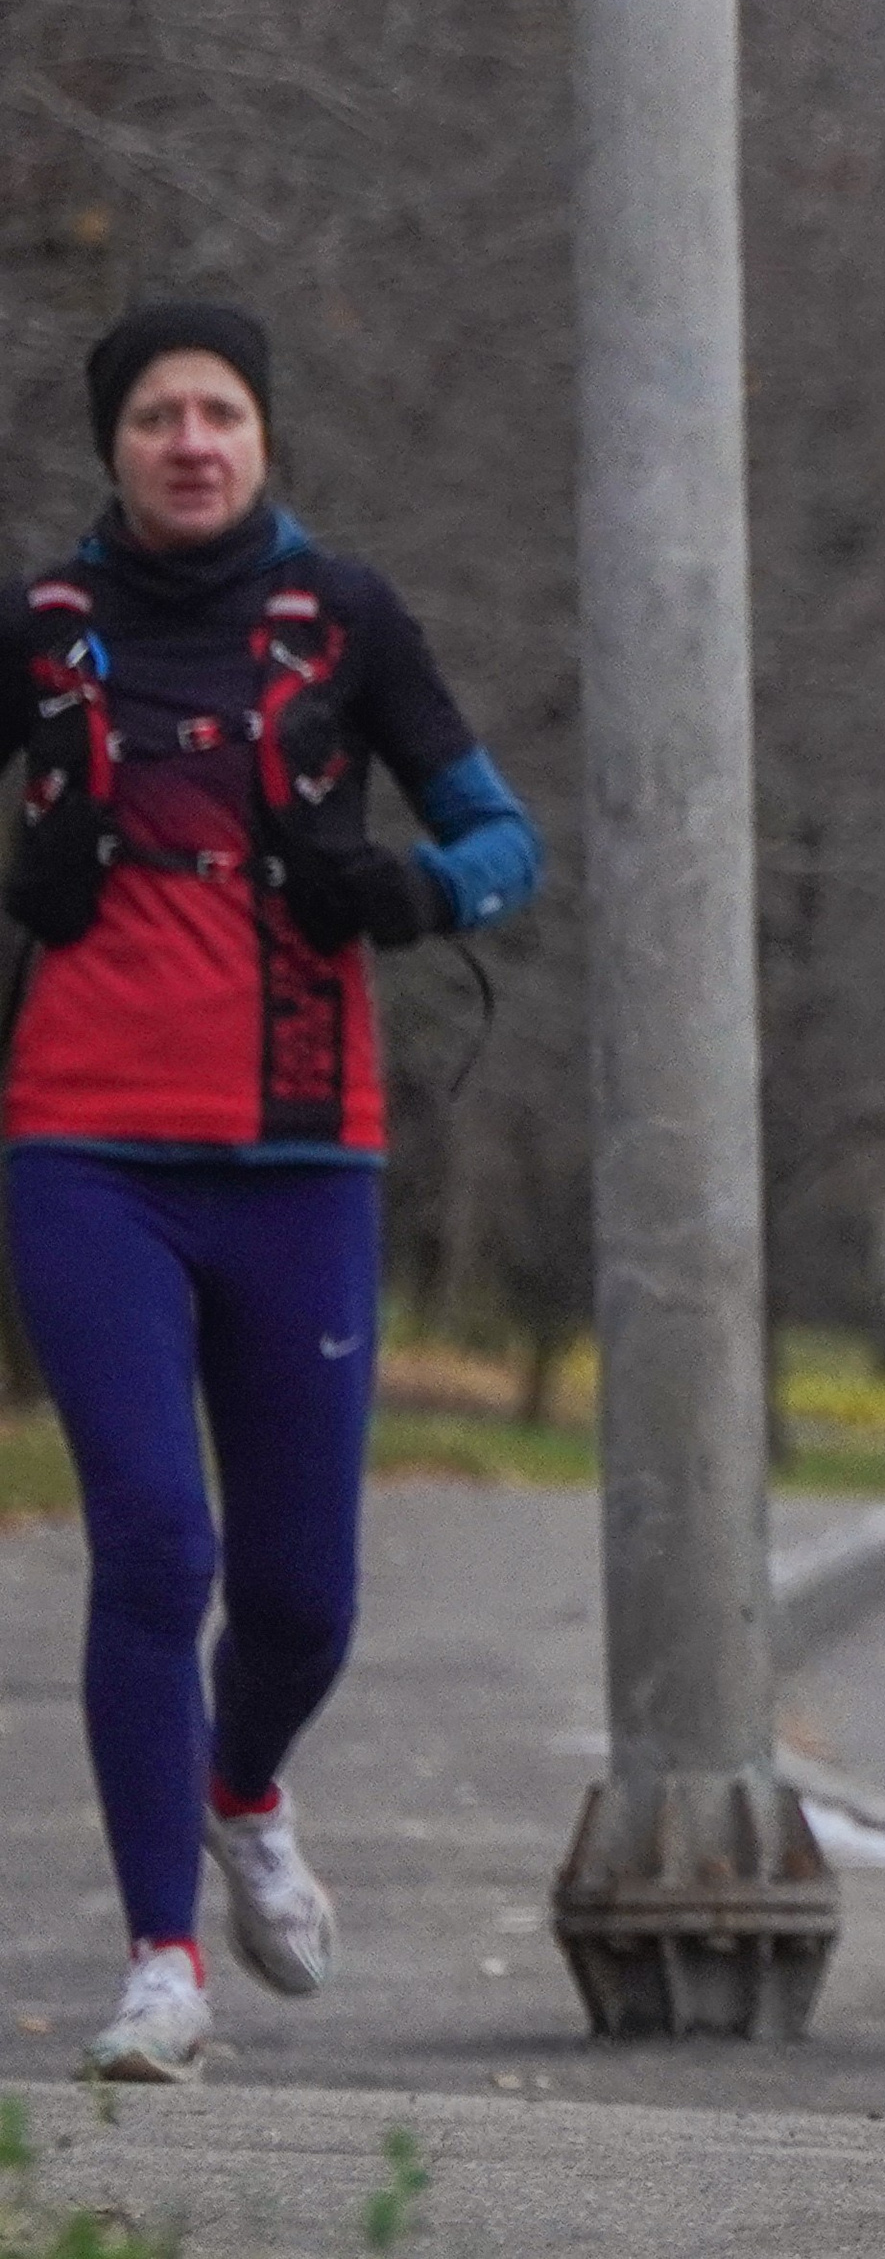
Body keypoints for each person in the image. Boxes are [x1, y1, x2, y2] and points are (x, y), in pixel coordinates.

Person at [0, 300, 543, 2086]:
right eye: (156, 414)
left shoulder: (345, 621)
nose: (191, 441)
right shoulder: (47, 631)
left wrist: (409, 894)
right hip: (84, 1140)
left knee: (304, 1595)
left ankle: (246, 1791)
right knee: (156, 1543)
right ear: (114, 449)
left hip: (305, 1150)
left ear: (262, 438)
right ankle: (163, 1961)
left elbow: (503, 839)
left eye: (219, 411)